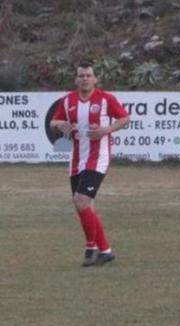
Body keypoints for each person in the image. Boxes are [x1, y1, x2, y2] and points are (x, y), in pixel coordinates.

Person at [49, 61, 130, 266]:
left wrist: (106, 130)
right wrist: (60, 124)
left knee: (81, 200)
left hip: (98, 158)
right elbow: (53, 122)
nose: (85, 79)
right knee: (84, 205)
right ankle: (95, 248)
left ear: (95, 79)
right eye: (81, 75)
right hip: (77, 159)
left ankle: (101, 249)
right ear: (76, 79)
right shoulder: (68, 100)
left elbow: (124, 118)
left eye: (88, 75)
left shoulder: (105, 99)